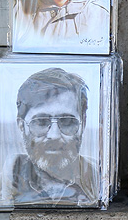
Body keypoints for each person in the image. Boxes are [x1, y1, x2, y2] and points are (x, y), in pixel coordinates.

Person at [7, 67, 98, 206]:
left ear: (83, 124)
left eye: (67, 121)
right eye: (41, 122)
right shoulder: (7, 180)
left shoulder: (99, 180)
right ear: (21, 125)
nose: (54, 135)